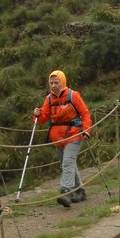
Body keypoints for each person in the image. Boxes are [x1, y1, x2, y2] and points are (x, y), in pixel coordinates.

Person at [33, 70, 92, 208]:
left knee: (67, 163)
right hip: (57, 138)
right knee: (68, 164)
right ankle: (80, 191)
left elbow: (85, 113)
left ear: (63, 82)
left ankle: (65, 191)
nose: (53, 85)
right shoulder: (49, 99)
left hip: (74, 134)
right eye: (51, 83)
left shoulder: (73, 95)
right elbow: (43, 118)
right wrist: (37, 114)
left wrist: (87, 130)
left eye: (56, 82)